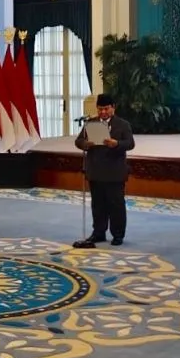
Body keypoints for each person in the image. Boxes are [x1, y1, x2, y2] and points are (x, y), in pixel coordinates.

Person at [73, 94, 136, 246]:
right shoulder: (91, 123)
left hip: (114, 172)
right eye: (100, 109)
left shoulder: (123, 124)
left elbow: (130, 143)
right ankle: (99, 232)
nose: (103, 112)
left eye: (106, 109)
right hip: (96, 170)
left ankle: (118, 235)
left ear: (113, 108)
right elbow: (78, 141)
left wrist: (117, 144)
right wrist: (86, 144)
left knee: (116, 205)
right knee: (98, 205)